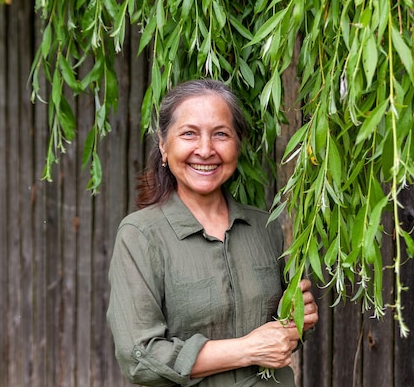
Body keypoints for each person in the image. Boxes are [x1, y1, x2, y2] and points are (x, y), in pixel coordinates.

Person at [106, 79, 319, 386]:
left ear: (238, 144)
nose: (205, 150)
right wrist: (248, 350)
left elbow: (280, 333)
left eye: (221, 134)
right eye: (189, 134)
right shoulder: (141, 235)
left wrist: (300, 318)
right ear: (164, 146)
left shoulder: (266, 227)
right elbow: (140, 358)